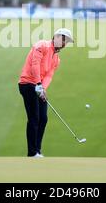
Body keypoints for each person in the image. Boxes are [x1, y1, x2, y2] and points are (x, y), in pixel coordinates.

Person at [18, 28, 74, 158]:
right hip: (27, 84)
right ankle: (32, 152)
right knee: (34, 117)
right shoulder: (41, 45)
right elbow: (35, 65)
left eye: (67, 42)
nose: (65, 44)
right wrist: (38, 84)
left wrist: (43, 88)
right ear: (57, 37)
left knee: (43, 118)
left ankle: (37, 150)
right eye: (64, 40)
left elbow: (49, 75)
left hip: (38, 86)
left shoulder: (56, 59)